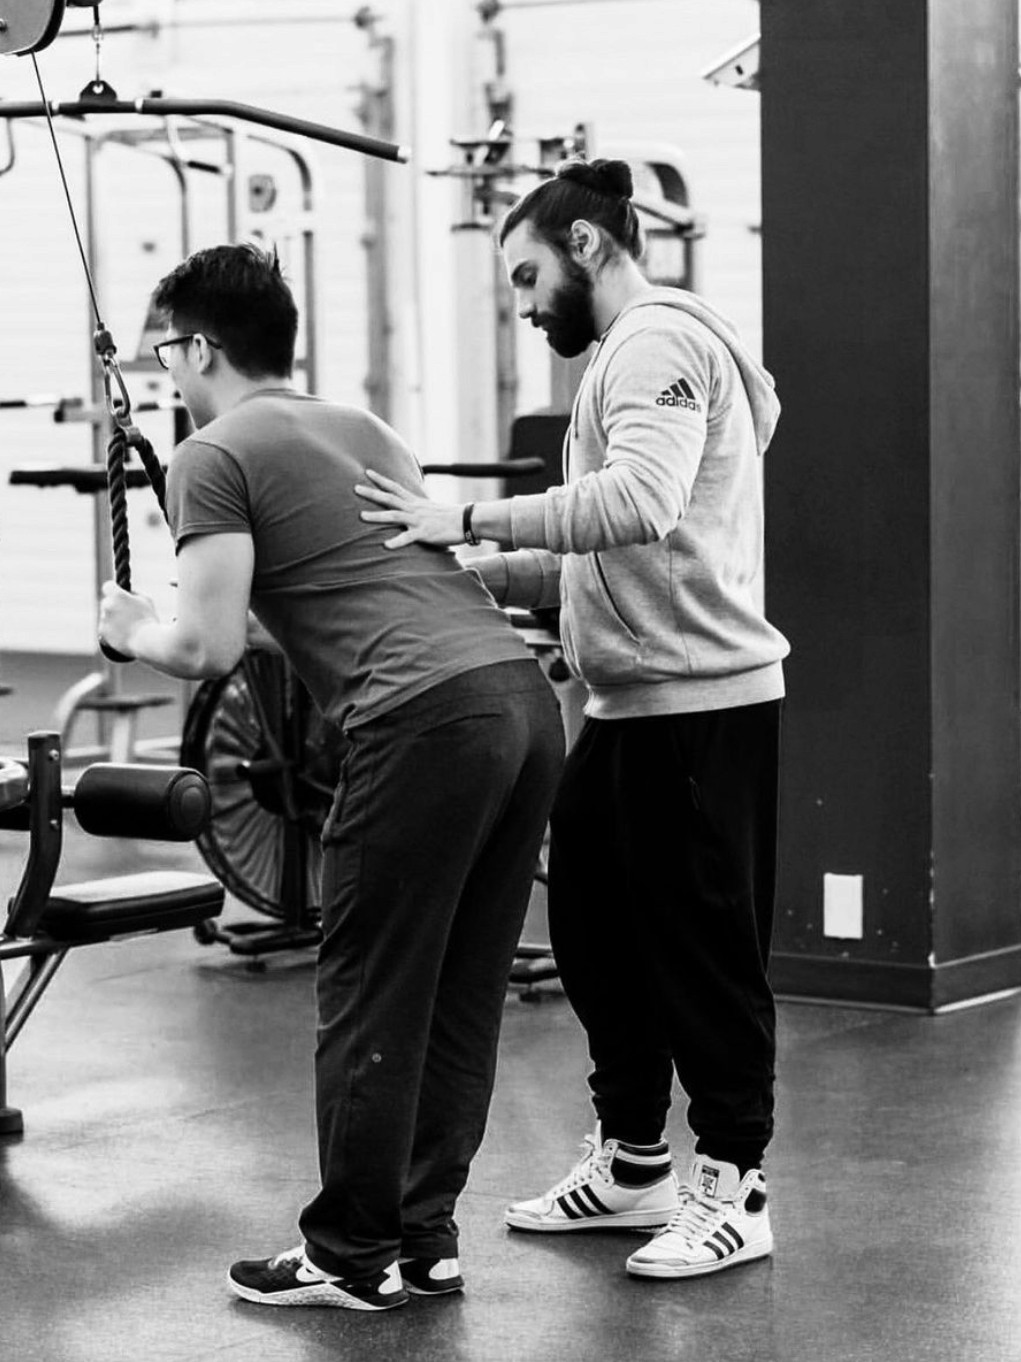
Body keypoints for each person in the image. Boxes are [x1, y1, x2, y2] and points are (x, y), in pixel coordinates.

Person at [98, 243, 565, 1311]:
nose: (166, 373)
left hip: (423, 722)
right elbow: (343, 590)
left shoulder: (210, 454)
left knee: (368, 987)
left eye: (167, 352)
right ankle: (423, 1240)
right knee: (457, 989)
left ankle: (350, 1254)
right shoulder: (363, 428)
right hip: (519, 700)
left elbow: (208, 648)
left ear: (199, 346)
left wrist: (131, 628)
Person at [355, 157, 789, 1281]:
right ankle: (637, 1160)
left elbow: (636, 506)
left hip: (699, 705)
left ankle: (736, 1187)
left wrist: (460, 510)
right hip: (628, 701)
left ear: (585, 247)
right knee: (598, 940)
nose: (522, 301)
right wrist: (468, 569)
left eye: (526, 275)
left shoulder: (655, 344)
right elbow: (596, 565)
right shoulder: (617, 360)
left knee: (704, 957)